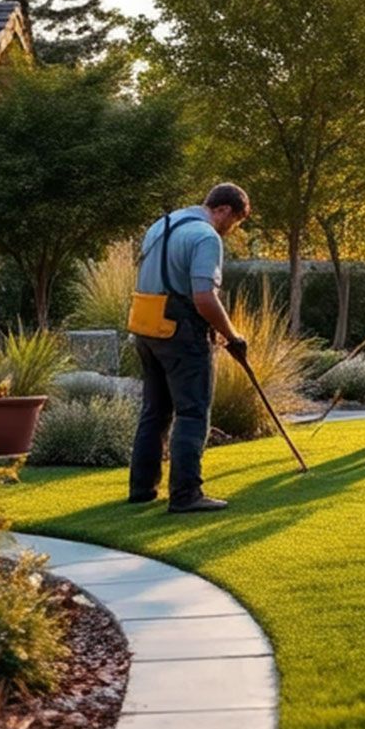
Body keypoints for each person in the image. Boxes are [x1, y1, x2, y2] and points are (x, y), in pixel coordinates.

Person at [128, 183, 250, 512]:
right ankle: (186, 494)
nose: (231, 229)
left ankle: (142, 488)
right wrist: (232, 336)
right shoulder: (206, 236)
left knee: (154, 410)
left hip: (146, 325)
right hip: (180, 331)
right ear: (223, 210)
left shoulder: (162, 224)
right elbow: (203, 298)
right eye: (235, 222)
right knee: (193, 411)